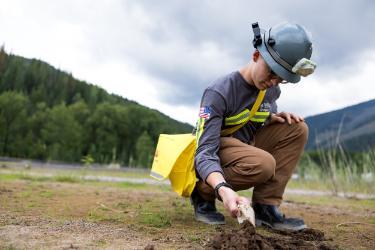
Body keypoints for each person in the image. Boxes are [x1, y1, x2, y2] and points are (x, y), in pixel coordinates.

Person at [191, 21, 317, 231]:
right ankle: (202, 191)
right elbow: (204, 151)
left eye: (281, 78)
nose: (273, 82)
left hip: (245, 146)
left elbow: (255, 115)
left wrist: (272, 117)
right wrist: (222, 188)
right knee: (264, 164)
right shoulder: (219, 92)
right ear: (256, 56)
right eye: (271, 72)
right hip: (215, 151)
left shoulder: (272, 89)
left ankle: (266, 208)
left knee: (297, 128)